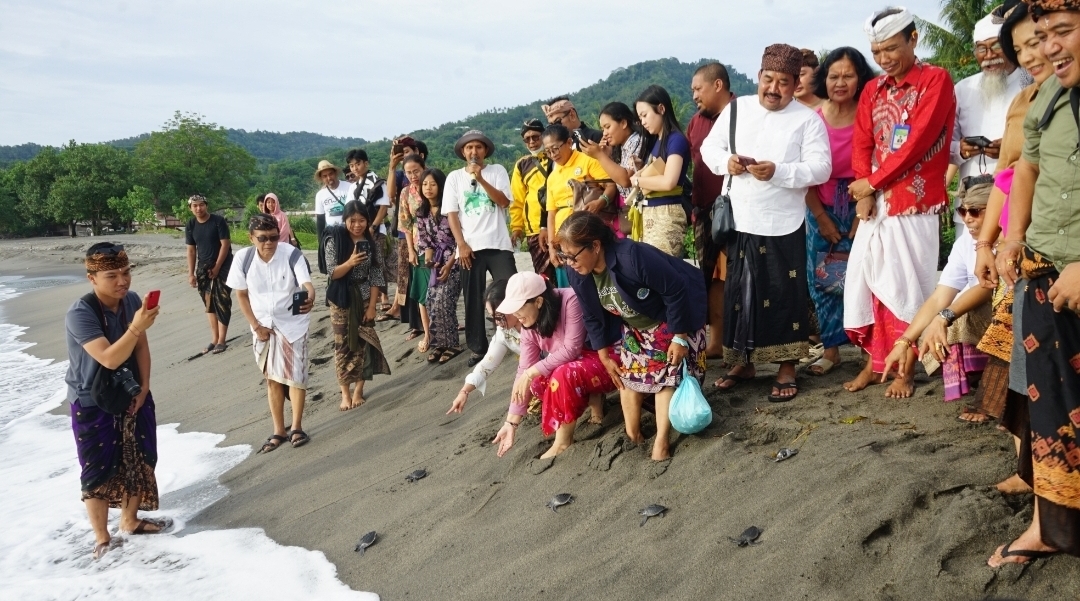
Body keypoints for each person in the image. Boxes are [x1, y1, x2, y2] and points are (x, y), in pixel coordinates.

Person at [988, 0, 1080, 567]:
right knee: (1048, 412)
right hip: (1046, 270)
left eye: (1062, 33)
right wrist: (1009, 238)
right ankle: (1050, 528)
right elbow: (1028, 167)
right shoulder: (1049, 95)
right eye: (1043, 36)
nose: (1049, 49)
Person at [700, 43, 832, 401]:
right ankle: (743, 362)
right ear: (759, 77)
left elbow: (822, 167)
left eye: (784, 82)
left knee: (782, 293)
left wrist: (779, 171)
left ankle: (787, 368)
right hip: (740, 217)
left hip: (783, 220)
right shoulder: (736, 109)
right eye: (769, 79)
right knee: (740, 295)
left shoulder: (807, 120)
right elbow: (708, 150)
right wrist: (726, 162)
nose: (774, 89)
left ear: (795, 83)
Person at [843, 8, 956, 398]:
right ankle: (874, 366)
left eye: (891, 48)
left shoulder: (935, 80)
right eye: (877, 52)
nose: (884, 58)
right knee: (871, 283)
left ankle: (905, 371)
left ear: (913, 39)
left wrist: (870, 183)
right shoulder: (873, 89)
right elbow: (861, 142)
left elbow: (917, 142)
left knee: (910, 287)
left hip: (915, 202)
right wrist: (866, 193)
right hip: (876, 205)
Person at [557, 212, 707, 461]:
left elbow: (676, 289)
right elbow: (591, 314)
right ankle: (633, 434)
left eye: (572, 255)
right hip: (635, 326)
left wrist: (679, 337)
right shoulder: (578, 271)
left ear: (595, 245)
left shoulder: (632, 257)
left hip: (671, 318)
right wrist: (603, 353)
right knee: (627, 377)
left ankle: (661, 440)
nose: (569, 262)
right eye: (564, 256)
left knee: (666, 377)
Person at [968, 0, 1051, 430]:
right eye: (1022, 49)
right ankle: (1029, 465)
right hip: (1024, 246)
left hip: (1063, 250)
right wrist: (987, 242)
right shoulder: (1025, 101)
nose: (1034, 55)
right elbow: (1009, 174)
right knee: (1021, 353)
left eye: (1039, 41)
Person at [66, 242, 166, 560]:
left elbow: (140, 349)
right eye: (112, 275)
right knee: (96, 467)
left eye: (126, 273)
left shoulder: (131, 300)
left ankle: (130, 520)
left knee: (140, 454)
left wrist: (144, 387)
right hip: (90, 397)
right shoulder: (81, 313)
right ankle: (101, 536)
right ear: (92, 278)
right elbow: (108, 358)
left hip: (131, 389)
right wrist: (137, 325)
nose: (122, 282)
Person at [880, 181, 993, 400]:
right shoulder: (964, 243)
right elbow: (940, 296)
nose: (967, 218)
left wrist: (945, 316)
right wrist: (904, 341)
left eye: (975, 211)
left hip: (1007, 310)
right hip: (980, 313)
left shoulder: (1010, 241)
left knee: (954, 317)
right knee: (931, 318)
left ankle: (988, 383)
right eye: (962, 211)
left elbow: (987, 287)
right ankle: (975, 377)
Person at [803, 47, 876, 376]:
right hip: (821, 206)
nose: (840, 82)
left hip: (867, 203)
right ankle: (831, 351)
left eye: (848, 75)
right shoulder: (812, 119)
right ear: (823, 79)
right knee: (824, 279)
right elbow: (804, 175)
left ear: (861, 78)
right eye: (834, 76)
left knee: (868, 276)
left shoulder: (871, 112)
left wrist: (863, 210)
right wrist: (821, 217)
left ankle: (869, 348)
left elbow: (880, 163)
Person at [487, 273, 616, 459]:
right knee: (536, 382)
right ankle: (595, 401)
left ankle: (563, 442)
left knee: (561, 374)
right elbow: (524, 369)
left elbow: (572, 348)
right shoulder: (528, 325)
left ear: (538, 302)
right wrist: (511, 422)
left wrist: (532, 371)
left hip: (607, 359)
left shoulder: (570, 300)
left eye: (518, 308)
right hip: (579, 365)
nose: (515, 315)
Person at [227, 213, 316, 453]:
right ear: (251, 238)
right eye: (262, 238)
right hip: (262, 327)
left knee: (297, 376)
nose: (269, 243)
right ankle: (279, 430)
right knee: (273, 379)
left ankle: (296, 427)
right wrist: (256, 326)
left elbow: (307, 284)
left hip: (292, 324)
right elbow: (241, 295)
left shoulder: (291, 253)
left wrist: (310, 295)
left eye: (274, 238)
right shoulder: (243, 258)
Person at [443, 130, 518, 366]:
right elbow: (452, 215)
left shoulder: (496, 171)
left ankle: (516, 337)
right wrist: (461, 245)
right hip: (470, 248)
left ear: (485, 150)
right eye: (469, 148)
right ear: (463, 152)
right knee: (473, 299)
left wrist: (482, 179)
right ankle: (478, 347)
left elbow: (504, 202)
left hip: (498, 244)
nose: (473, 152)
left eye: (478, 147)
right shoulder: (454, 178)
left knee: (511, 291)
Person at [951, 8, 1031, 218]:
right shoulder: (963, 89)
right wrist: (961, 149)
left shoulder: (1030, 82)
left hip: (1017, 196)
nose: (989, 56)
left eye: (996, 46)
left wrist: (1010, 147)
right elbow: (945, 144)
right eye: (981, 49)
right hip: (970, 206)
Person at [687, 62, 736, 358]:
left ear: (717, 85)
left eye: (697, 88)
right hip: (704, 210)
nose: (694, 95)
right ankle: (715, 341)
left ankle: (739, 342)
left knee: (736, 275)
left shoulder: (744, 114)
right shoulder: (696, 122)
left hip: (737, 209)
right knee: (711, 278)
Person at [324, 201, 391, 411]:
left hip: (364, 297)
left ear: (368, 221)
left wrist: (373, 306)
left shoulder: (371, 243)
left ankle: (359, 389)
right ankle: (344, 393)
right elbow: (332, 273)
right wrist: (350, 262)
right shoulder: (335, 241)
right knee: (342, 346)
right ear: (344, 220)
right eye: (352, 220)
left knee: (365, 344)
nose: (357, 225)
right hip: (341, 298)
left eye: (361, 220)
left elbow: (376, 275)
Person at [544, 124, 617, 286]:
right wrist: (551, 246)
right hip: (564, 241)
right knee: (571, 286)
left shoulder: (587, 161)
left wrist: (601, 202)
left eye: (555, 149)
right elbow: (551, 213)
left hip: (587, 233)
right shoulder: (552, 177)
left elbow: (611, 185)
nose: (552, 155)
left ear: (569, 142)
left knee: (599, 282)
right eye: (548, 151)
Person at [631, 85, 693, 257]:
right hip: (650, 214)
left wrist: (638, 180)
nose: (642, 122)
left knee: (661, 272)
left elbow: (669, 181)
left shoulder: (676, 140)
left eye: (644, 115)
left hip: (666, 215)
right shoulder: (657, 141)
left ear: (661, 108)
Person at [447, 279, 522, 414]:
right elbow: (487, 364)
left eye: (499, 316)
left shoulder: (538, 323)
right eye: (492, 317)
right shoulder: (504, 332)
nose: (497, 322)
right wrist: (464, 391)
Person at [416, 168, 464, 364]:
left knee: (445, 300)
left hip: (456, 258)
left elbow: (461, 238)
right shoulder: (422, 211)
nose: (428, 188)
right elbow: (425, 242)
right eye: (425, 184)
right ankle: (439, 345)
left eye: (433, 184)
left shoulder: (451, 207)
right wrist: (429, 262)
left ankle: (453, 344)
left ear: (441, 186)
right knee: (431, 300)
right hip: (436, 261)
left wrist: (451, 261)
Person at [347, 148, 394, 315]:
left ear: (366, 163)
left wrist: (373, 226)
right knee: (362, 262)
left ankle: (385, 297)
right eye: (352, 166)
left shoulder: (378, 182)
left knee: (378, 262)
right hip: (358, 230)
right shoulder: (354, 186)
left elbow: (384, 206)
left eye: (357, 164)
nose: (355, 168)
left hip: (376, 229)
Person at [185, 194, 232, 355]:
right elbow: (191, 250)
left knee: (222, 300)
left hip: (223, 265)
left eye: (201, 205)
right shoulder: (191, 225)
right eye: (195, 206)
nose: (198, 208)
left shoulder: (218, 221)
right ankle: (214, 338)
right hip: (203, 267)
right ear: (190, 208)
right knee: (209, 302)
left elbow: (225, 245)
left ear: (206, 205)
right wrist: (191, 273)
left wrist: (218, 266)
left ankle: (222, 340)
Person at [509, 119, 555, 280]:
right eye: (527, 139)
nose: (531, 142)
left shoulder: (557, 156)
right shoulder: (522, 164)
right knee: (544, 276)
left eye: (535, 137)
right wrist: (516, 227)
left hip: (560, 222)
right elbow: (517, 199)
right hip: (534, 229)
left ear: (544, 135)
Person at [395, 154, 431, 347]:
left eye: (416, 171)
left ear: (424, 167)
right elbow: (406, 224)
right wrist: (410, 249)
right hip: (418, 247)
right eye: (408, 172)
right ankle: (427, 334)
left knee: (440, 291)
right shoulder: (406, 193)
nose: (413, 175)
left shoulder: (433, 186)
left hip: (441, 247)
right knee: (422, 293)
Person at [314, 159, 352, 275]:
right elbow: (320, 220)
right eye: (325, 176)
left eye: (330, 174)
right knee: (335, 265)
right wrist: (321, 242)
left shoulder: (349, 187)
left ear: (335, 173)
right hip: (332, 235)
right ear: (321, 178)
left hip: (349, 232)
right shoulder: (320, 195)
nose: (329, 178)